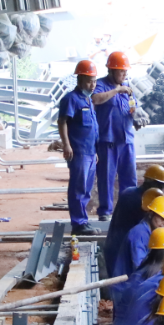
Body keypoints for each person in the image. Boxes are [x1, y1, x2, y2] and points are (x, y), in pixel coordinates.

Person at [59, 60, 105, 236]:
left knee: (86, 189)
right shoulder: (71, 99)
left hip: (90, 152)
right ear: (79, 80)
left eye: (94, 81)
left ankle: (83, 221)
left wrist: (95, 152)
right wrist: (66, 144)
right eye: (89, 81)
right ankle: (78, 224)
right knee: (78, 188)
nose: (92, 85)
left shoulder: (87, 100)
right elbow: (62, 121)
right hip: (79, 152)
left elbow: (92, 128)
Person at [92, 51, 138, 221]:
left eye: (126, 71)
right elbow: (95, 99)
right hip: (108, 141)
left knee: (129, 179)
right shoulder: (101, 85)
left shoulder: (128, 87)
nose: (124, 75)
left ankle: (129, 211)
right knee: (106, 178)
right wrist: (116, 90)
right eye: (121, 71)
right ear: (111, 70)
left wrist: (137, 117)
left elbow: (132, 107)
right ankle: (105, 212)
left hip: (126, 140)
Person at [103, 165, 164, 276]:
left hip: (114, 246)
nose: (161, 189)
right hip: (121, 249)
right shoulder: (141, 203)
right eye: (160, 186)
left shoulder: (129, 192)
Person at [113, 196, 164, 279]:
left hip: (135, 282)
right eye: (161, 218)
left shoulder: (151, 233)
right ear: (151, 214)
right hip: (126, 284)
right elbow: (139, 267)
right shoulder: (140, 233)